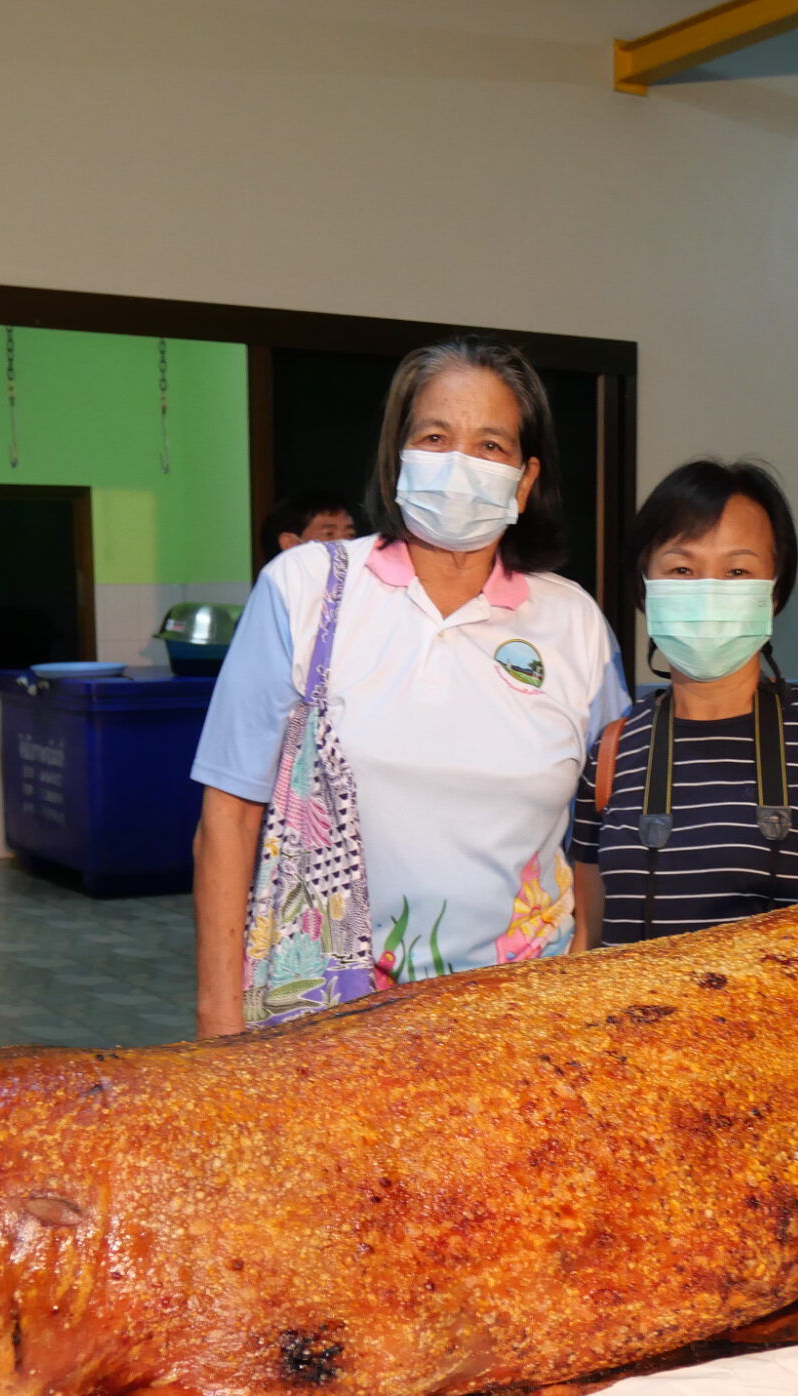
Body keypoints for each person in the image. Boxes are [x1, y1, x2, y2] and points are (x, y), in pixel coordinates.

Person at [190, 336, 628, 1035]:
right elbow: (228, 816)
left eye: (490, 445)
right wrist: (219, 1022)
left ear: (523, 481)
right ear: (398, 456)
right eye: (435, 437)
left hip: (525, 1020)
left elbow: (605, 824)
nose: (459, 463)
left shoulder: (572, 621)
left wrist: (587, 974)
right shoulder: (305, 590)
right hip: (329, 1019)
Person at [570, 461, 798, 946]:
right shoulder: (611, 753)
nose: (708, 592)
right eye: (682, 569)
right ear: (645, 587)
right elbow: (587, 942)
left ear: (773, 593)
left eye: (737, 571)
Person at [258, 488, 359, 567]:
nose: (345, 544)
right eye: (329, 534)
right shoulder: (275, 585)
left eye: (350, 535)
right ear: (289, 543)